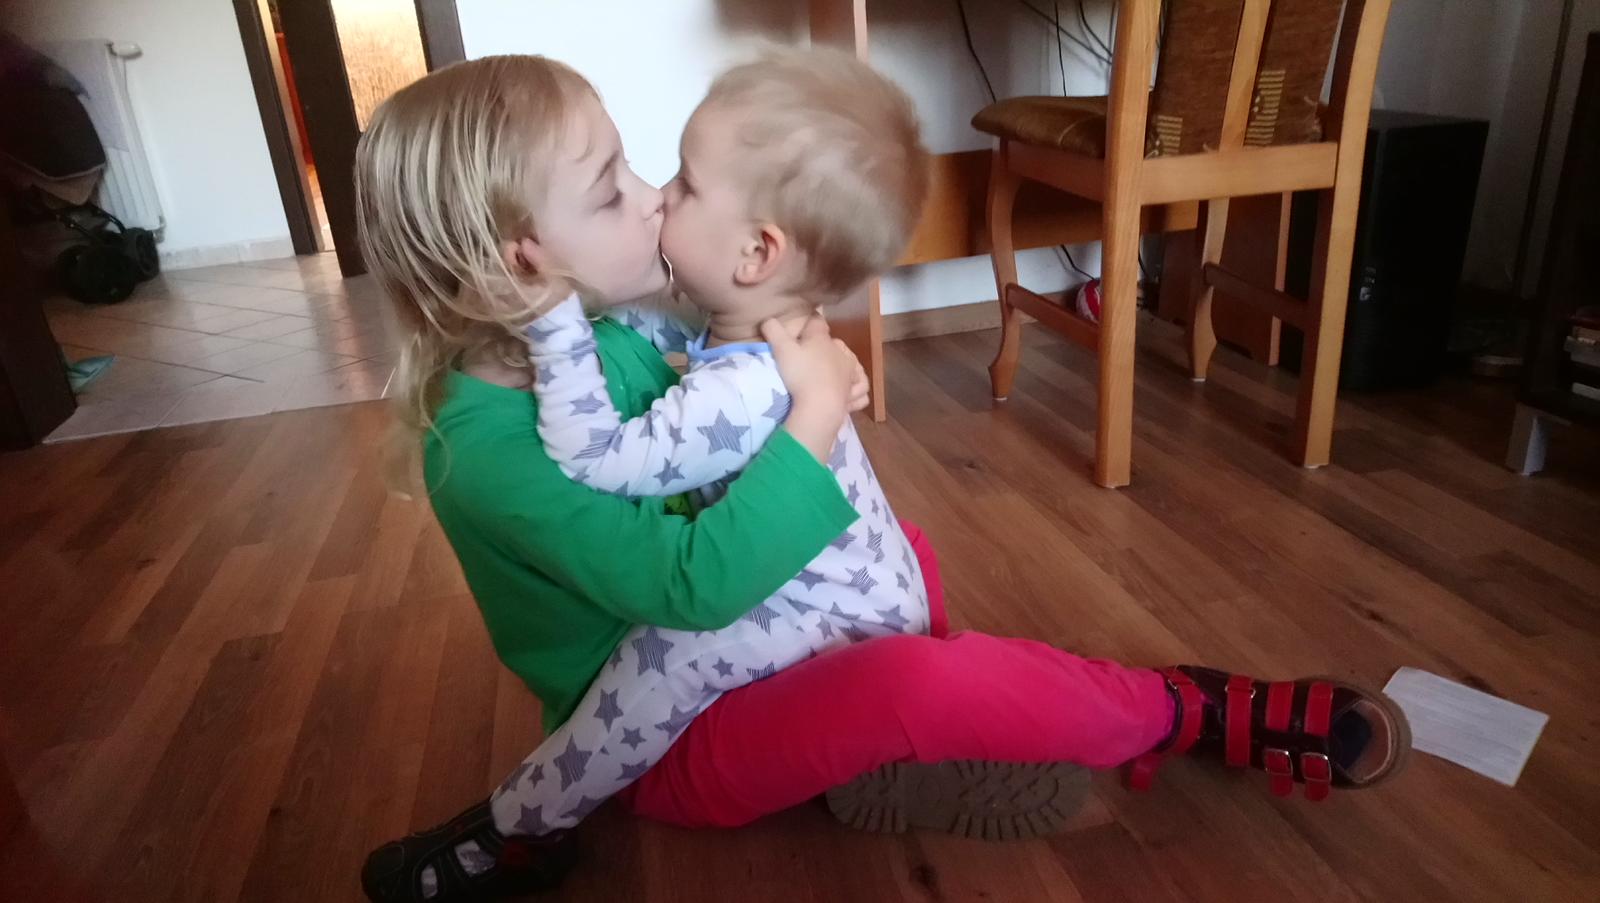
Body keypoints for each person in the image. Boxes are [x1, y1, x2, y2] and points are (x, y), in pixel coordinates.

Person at [352, 52, 1412, 903]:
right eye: (611, 189)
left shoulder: (603, 325)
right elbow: (689, 589)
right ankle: (1181, 709)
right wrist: (812, 413)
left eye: (648, 173)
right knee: (914, 680)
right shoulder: (485, 457)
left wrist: (787, 322)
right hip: (661, 734)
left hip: (748, 642)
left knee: (902, 558)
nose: (646, 201)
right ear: (523, 260)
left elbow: (729, 330)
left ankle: (916, 748)